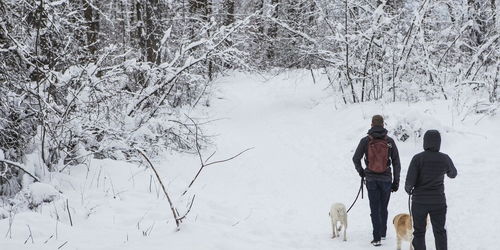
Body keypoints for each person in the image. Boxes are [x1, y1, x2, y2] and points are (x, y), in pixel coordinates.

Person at [353, 115, 401, 247]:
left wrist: (362, 172)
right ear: (383, 124)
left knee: (374, 207)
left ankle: (377, 237)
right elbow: (396, 162)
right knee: (383, 207)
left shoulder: (365, 141)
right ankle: (383, 233)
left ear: (371, 124)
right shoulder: (390, 141)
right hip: (386, 179)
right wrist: (396, 182)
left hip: (371, 179)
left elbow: (355, 158)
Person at [405, 130, 457, 250]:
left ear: (425, 142)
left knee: (419, 231)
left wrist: (408, 190)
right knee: (440, 231)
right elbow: (453, 174)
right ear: (439, 142)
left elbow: (409, 182)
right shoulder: (444, 158)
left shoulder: (417, 158)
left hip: (419, 202)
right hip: (438, 201)